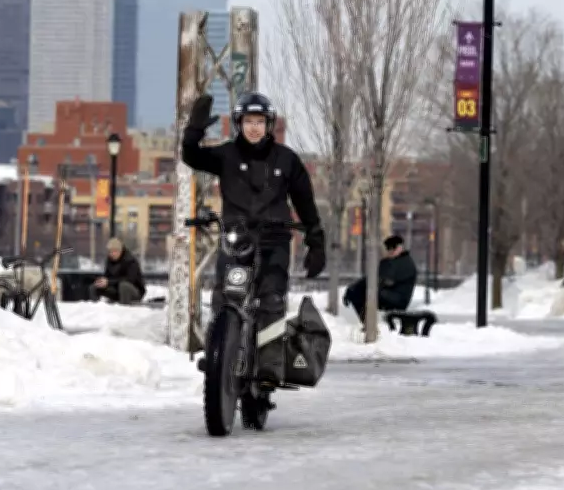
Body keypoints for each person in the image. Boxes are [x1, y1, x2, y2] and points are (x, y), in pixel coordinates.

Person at [182, 91, 327, 385]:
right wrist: (194, 130)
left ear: (269, 124)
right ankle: (218, 355)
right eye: (248, 121)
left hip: (274, 241)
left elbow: (305, 203)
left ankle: (269, 369)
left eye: (260, 121)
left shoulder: (287, 160)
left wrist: (316, 240)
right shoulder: (226, 155)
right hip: (237, 239)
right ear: (239, 123)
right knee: (226, 296)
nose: (254, 127)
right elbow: (191, 156)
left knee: (271, 300)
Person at [342, 235, 418, 325]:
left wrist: (357, 288)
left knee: (361, 292)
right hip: (389, 295)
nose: (390, 251)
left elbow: (382, 279)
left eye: (393, 248)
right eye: (388, 248)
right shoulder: (391, 261)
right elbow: (373, 277)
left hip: (398, 299)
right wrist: (353, 287)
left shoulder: (405, 262)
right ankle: (368, 325)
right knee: (357, 292)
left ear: (400, 247)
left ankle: (368, 325)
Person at [89, 237, 147, 305]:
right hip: (116, 289)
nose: (112, 254)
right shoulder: (109, 260)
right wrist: (102, 281)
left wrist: (109, 282)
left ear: (121, 250)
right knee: (94, 287)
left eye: (115, 251)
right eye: (110, 251)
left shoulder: (131, 261)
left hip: (135, 291)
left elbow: (130, 279)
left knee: (124, 285)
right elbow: (107, 275)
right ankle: (95, 310)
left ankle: (123, 309)